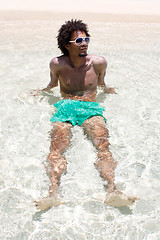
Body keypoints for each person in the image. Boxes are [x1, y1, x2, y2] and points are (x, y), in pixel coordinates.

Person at [33, 19, 138, 211]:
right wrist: (39, 92)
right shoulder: (57, 64)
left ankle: (112, 190)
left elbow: (101, 84)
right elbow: (52, 85)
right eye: (79, 41)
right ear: (67, 46)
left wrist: (109, 90)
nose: (84, 44)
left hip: (91, 109)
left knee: (103, 146)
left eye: (86, 39)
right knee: (57, 147)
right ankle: (53, 193)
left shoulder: (99, 63)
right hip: (66, 107)